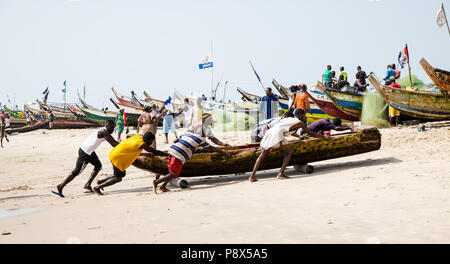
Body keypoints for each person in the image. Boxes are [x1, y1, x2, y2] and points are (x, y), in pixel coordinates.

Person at [249, 109, 331, 182]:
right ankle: (280, 174)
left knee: (262, 155)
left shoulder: (287, 119)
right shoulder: (300, 123)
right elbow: (310, 133)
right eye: (304, 115)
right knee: (288, 153)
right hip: (276, 134)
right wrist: (324, 137)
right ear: (300, 115)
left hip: (269, 133)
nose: (304, 117)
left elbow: (285, 129)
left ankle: (252, 176)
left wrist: (299, 136)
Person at [153, 120, 230, 193]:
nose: (205, 134)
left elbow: (175, 141)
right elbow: (212, 148)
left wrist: (189, 145)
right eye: (204, 132)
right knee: (173, 173)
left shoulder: (187, 134)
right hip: (178, 155)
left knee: (173, 171)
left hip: (171, 151)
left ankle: (163, 186)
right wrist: (224, 152)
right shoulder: (201, 139)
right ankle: (156, 182)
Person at [51, 120, 119, 197]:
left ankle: (88, 184)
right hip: (85, 152)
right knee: (77, 171)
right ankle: (60, 186)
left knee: (98, 166)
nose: (113, 130)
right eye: (111, 128)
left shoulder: (105, 131)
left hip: (90, 151)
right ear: (107, 126)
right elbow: (114, 143)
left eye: (113, 128)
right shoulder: (104, 132)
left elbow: (114, 142)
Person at [93, 132, 168, 195]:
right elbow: (154, 151)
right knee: (118, 178)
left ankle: (101, 181)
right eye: (151, 141)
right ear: (147, 140)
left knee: (121, 174)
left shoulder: (138, 136)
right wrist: (167, 155)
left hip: (115, 152)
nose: (151, 143)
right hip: (118, 157)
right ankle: (97, 188)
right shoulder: (142, 144)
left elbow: (129, 135)